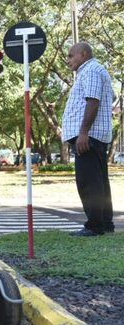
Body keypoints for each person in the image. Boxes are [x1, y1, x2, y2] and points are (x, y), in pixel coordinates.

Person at [61, 42, 114, 236]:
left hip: (88, 136)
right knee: (99, 181)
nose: (68, 60)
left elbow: (93, 101)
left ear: (83, 54)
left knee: (88, 182)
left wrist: (83, 132)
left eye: (70, 56)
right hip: (94, 135)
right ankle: (105, 224)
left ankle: (95, 225)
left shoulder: (91, 70)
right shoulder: (94, 71)